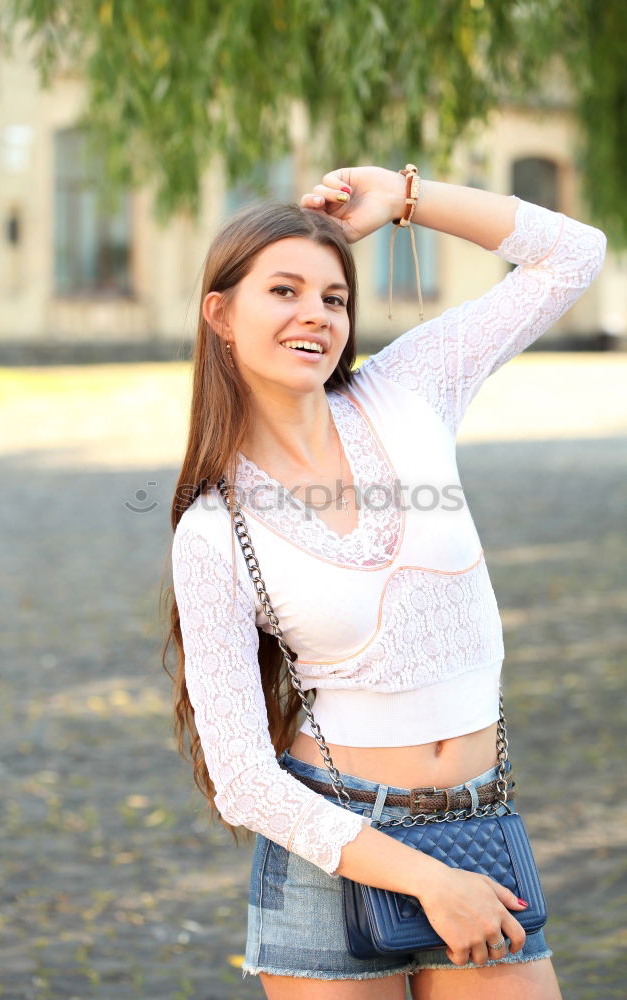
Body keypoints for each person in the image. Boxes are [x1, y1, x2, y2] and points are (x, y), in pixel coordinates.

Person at [166, 164, 606, 998]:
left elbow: (573, 255)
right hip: (333, 849)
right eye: (285, 291)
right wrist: (427, 883)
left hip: (480, 828)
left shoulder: (410, 388)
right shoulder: (212, 529)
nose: (315, 315)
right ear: (220, 314)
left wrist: (406, 199)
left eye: (334, 298)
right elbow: (245, 780)